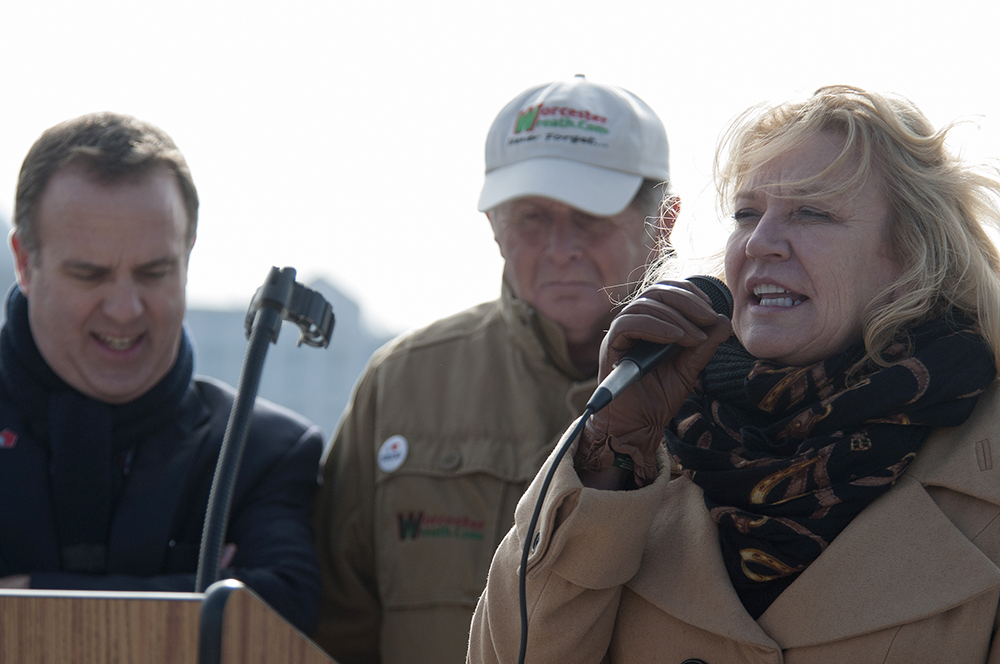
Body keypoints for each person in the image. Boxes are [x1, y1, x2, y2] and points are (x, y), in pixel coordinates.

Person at [468, 85, 1000, 662]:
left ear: (915, 253)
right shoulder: (658, 433)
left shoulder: (981, 462)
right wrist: (610, 457)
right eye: (747, 213)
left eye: (812, 211)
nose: (762, 242)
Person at [313, 75, 674, 663]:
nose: (561, 246)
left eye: (591, 215)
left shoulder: (734, 388)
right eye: (532, 216)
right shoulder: (404, 383)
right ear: (493, 225)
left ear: (666, 219)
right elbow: (335, 626)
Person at [0, 112, 323, 634]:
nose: (125, 309)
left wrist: (24, 594)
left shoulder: (263, 452)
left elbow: (280, 611)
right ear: (23, 262)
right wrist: (193, 598)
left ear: (188, 258)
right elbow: (235, 618)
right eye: (90, 274)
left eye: (154, 272)